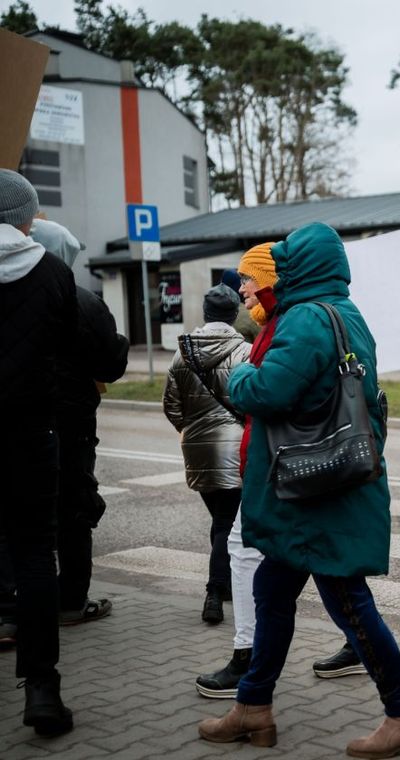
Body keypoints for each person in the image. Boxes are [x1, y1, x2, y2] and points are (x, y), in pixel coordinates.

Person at [200, 222, 400, 756]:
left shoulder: (304, 318)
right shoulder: (345, 311)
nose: (277, 269)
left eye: (285, 260)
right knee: (272, 592)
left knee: (348, 600)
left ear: (302, 265)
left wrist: (236, 375)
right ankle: (252, 706)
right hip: (328, 482)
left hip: (314, 490)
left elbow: (269, 389)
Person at [0, 169, 77, 736]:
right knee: (34, 557)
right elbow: (71, 352)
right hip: (31, 438)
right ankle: (42, 689)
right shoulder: (52, 272)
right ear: (26, 217)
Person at [30, 220, 129, 625]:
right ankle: (71, 600)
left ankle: (14, 606)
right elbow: (110, 363)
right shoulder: (82, 300)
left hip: (21, 418)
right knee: (74, 506)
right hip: (72, 424)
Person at [195, 244, 273, 698]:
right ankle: (251, 673)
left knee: (236, 538)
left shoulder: (286, 326)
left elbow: (269, 388)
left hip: (265, 462)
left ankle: (247, 663)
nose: (241, 287)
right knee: (241, 543)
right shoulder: (254, 336)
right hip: (253, 457)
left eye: (248, 279)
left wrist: (242, 384)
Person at [163, 284, 252, 624]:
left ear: (205, 313)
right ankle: (214, 593)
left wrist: (189, 431)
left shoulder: (181, 353)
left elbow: (171, 405)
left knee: (220, 520)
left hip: (197, 449)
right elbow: (250, 400)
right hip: (235, 449)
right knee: (226, 523)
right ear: (233, 315)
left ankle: (224, 583)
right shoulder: (243, 352)